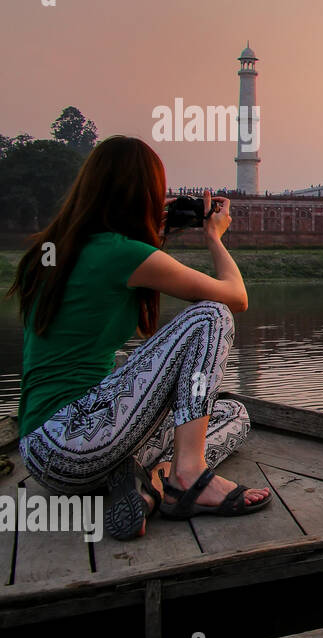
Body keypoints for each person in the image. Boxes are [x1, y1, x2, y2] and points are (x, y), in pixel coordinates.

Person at [6, 136, 271, 541]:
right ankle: (187, 476)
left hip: (49, 456)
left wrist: (153, 233)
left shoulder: (52, 252)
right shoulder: (121, 253)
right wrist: (214, 237)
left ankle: (147, 482)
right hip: (73, 438)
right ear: (143, 194)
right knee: (210, 316)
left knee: (233, 416)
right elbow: (236, 297)